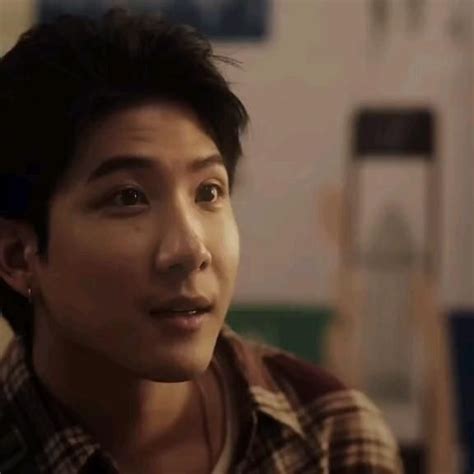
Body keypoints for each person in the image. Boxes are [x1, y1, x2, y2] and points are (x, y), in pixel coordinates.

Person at [0, 8, 403, 474]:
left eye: (208, 192)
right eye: (128, 197)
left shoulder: (333, 436)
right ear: (17, 256)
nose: (191, 250)